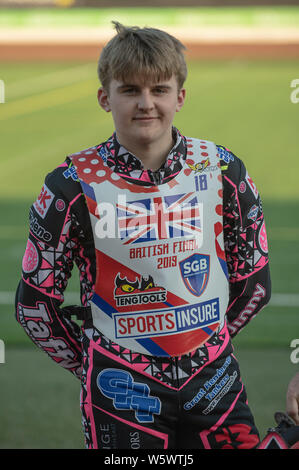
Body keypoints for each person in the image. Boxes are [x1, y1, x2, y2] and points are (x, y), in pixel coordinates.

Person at [15, 22, 271, 449]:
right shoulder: (70, 184)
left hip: (215, 384)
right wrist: (96, 364)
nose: (146, 103)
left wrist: (205, 347)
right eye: (130, 90)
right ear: (105, 97)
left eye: (160, 90)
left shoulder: (223, 169)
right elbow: (35, 306)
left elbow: (255, 284)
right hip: (119, 388)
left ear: (180, 97)